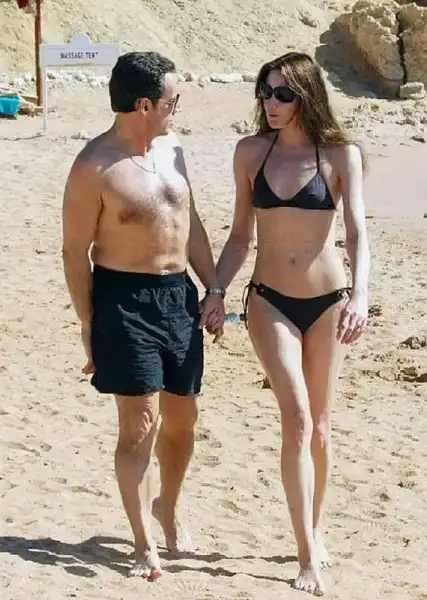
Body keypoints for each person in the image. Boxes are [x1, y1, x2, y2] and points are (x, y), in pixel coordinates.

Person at [61, 51, 226, 581]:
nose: (178, 107)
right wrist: (88, 324)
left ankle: (167, 508)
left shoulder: (173, 151)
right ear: (145, 104)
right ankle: (142, 543)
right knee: (139, 426)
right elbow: (74, 252)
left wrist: (214, 289)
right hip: (123, 300)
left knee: (183, 421)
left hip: (178, 297)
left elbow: (190, 224)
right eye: (173, 99)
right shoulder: (94, 166)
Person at [215, 52, 370, 596]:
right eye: (265, 91)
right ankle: (306, 556)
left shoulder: (341, 154)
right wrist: (216, 290)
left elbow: (357, 231)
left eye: (282, 93)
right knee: (298, 418)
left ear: (307, 95)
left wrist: (361, 295)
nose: (270, 103)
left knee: (321, 427)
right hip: (270, 302)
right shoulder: (251, 152)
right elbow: (240, 236)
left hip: (329, 302)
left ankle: (315, 529)